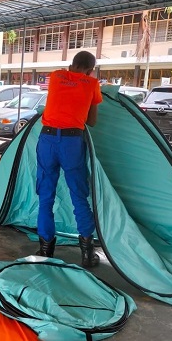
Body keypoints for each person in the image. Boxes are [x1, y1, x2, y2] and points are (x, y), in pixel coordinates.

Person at [35, 51, 102, 268]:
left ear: (70, 64)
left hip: (46, 139)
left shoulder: (56, 76)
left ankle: (46, 249)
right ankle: (87, 253)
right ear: (91, 70)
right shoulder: (92, 84)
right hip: (72, 143)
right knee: (79, 196)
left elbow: (68, 81)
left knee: (46, 196)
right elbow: (92, 122)